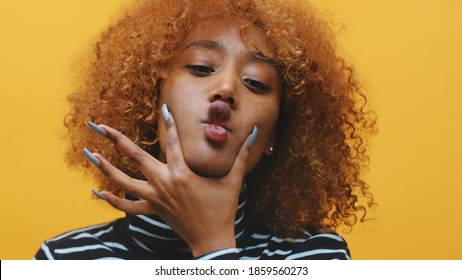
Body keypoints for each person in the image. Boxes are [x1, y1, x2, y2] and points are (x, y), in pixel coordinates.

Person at [34, 0, 376, 260]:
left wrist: (212, 242)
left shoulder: (314, 254)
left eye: (255, 83)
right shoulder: (63, 259)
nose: (226, 88)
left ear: (275, 136)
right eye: (200, 67)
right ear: (148, 97)